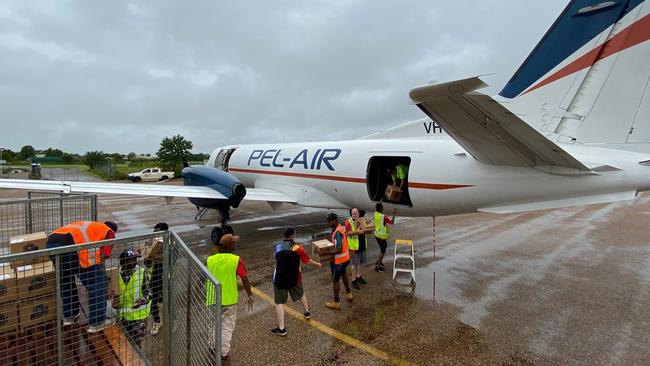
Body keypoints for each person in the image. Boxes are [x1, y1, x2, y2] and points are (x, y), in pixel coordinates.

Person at [47, 221, 117, 333]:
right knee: (97, 282)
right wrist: (100, 270)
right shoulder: (109, 232)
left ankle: (70, 316)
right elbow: (104, 255)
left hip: (52, 243)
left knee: (66, 280)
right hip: (72, 246)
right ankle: (97, 322)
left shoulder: (92, 226)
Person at [206, 234, 254, 366]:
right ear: (229, 246)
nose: (235, 244)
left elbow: (203, 277)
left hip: (212, 298)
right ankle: (223, 354)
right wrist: (250, 295)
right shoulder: (236, 259)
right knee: (227, 327)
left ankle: (212, 347)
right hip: (228, 299)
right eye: (234, 242)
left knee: (213, 324)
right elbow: (244, 278)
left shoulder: (210, 259)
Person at [272, 227, 322, 336]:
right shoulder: (298, 248)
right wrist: (317, 264)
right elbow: (307, 261)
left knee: (279, 302)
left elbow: (277, 259)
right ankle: (307, 312)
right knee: (300, 294)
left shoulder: (277, 246)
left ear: (285, 235)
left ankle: (281, 328)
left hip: (280, 277)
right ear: (293, 235)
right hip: (294, 277)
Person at [115, 249, 151, 346]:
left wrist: (143, 300)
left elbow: (149, 292)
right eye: (131, 259)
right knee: (124, 343)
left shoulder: (142, 273)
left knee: (136, 343)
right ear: (124, 262)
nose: (135, 262)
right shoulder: (116, 274)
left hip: (139, 316)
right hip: (123, 316)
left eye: (135, 259)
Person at [324, 213, 353, 310]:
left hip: (339, 261)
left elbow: (339, 248)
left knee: (335, 280)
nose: (328, 223)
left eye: (329, 221)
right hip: (346, 259)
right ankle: (349, 293)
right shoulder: (340, 228)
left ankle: (336, 302)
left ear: (333, 220)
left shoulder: (337, 232)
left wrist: (327, 252)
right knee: (344, 274)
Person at [144, 222, 167, 336]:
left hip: (165, 276)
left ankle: (163, 313)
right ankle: (157, 321)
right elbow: (147, 263)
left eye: (157, 231)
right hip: (153, 277)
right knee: (154, 299)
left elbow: (173, 259)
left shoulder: (170, 243)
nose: (154, 233)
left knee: (163, 298)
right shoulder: (151, 243)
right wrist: (148, 250)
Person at [345, 208, 365, 290]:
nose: (354, 215)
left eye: (356, 213)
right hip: (354, 246)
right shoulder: (348, 222)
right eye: (353, 213)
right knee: (354, 264)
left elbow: (365, 229)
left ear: (359, 213)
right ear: (351, 214)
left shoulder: (361, 220)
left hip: (361, 243)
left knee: (360, 262)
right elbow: (347, 233)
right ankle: (353, 280)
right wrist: (357, 232)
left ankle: (359, 276)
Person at [374, 203, 396, 272]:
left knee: (383, 248)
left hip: (377, 235)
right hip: (381, 237)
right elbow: (392, 222)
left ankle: (379, 261)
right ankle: (378, 266)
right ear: (381, 209)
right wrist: (394, 214)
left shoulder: (376, 214)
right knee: (383, 251)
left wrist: (381, 202)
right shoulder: (383, 217)